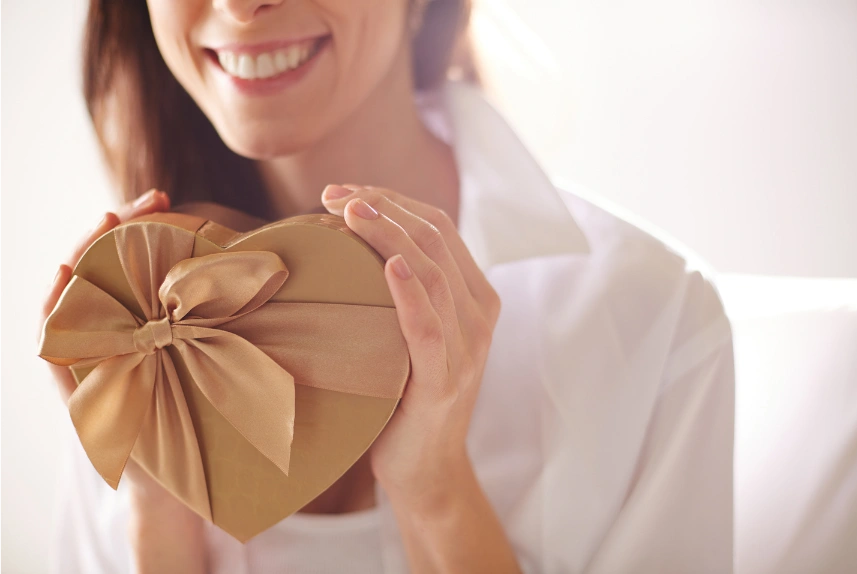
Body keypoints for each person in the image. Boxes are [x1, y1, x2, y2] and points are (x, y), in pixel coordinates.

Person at [40, 0, 735, 572]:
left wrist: (437, 494)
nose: (239, 6)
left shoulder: (656, 324)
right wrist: (158, 520)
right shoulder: (125, 322)